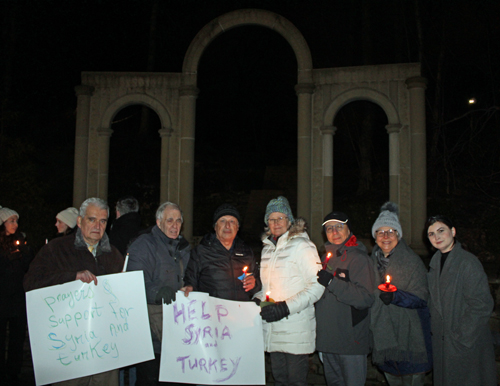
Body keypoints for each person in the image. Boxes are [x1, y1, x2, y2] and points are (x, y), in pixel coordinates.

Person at [24, 198, 124, 386]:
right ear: (79, 221)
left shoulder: (114, 255)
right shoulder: (56, 249)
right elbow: (31, 282)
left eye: (102, 221)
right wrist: (71, 277)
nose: (97, 226)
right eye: (92, 219)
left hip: (105, 350)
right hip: (69, 351)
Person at [254, 196, 324, 386]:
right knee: (279, 380)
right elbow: (267, 288)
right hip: (273, 330)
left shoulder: (303, 246)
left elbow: (317, 286)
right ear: (266, 223)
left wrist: (285, 308)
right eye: (271, 219)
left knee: (295, 381)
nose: (276, 223)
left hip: (295, 331)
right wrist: (257, 299)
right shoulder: (267, 250)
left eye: (280, 218)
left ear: (289, 221)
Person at [426, 215, 496, 386]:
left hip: (464, 344)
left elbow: (481, 305)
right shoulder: (435, 264)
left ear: (453, 231)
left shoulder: (468, 263)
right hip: (443, 344)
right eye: (431, 234)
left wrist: (461, 337)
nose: (437, 237)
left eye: (441, 231)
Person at [126, 201, 190, 386]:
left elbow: (190, 276)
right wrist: (157, 292)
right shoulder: (144, 245)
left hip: (176, 330)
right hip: (151, 335)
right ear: (158, 222)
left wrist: (190, 287)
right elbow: (134, 281)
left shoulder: (183, 248)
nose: (175, 225)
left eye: (178, 220)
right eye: (170, 220)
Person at [370, 202, 432, 386]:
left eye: (391, 231)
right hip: (384, 340)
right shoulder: (371, 261)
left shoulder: (411, 261)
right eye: (381, 232)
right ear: (375, 237)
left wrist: (397, 297)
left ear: (398, 234)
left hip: (410, 341)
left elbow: (422, 297)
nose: (386, 236)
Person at [315, 211, 375, 386]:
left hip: (350, 343)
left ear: (349, 230)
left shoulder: (359, 259)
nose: (334, 232)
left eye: (339, 227)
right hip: (327, 341)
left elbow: (365, 298)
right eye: (329, 229)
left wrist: (333, 282)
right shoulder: (324, 259)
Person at [182, 204, 261, 301]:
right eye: (222, 221)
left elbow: (257, 286)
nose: (227, 226)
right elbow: (190, 282)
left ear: (237, 227)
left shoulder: (247, 252)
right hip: (213, 313)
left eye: (232, 221)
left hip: (241, 313)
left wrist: (254, 284)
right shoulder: (201, 252)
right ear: (215, 227)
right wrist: (189, 288)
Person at [0, 206, 33, 386]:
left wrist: (25, 256)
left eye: (16, 221)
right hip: (2, 297)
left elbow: (28, 268)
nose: (15, 224)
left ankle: (14, 371)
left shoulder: (21, 241)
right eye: (11, 221)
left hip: (18, 298)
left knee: (17, 338)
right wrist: (7, 260)